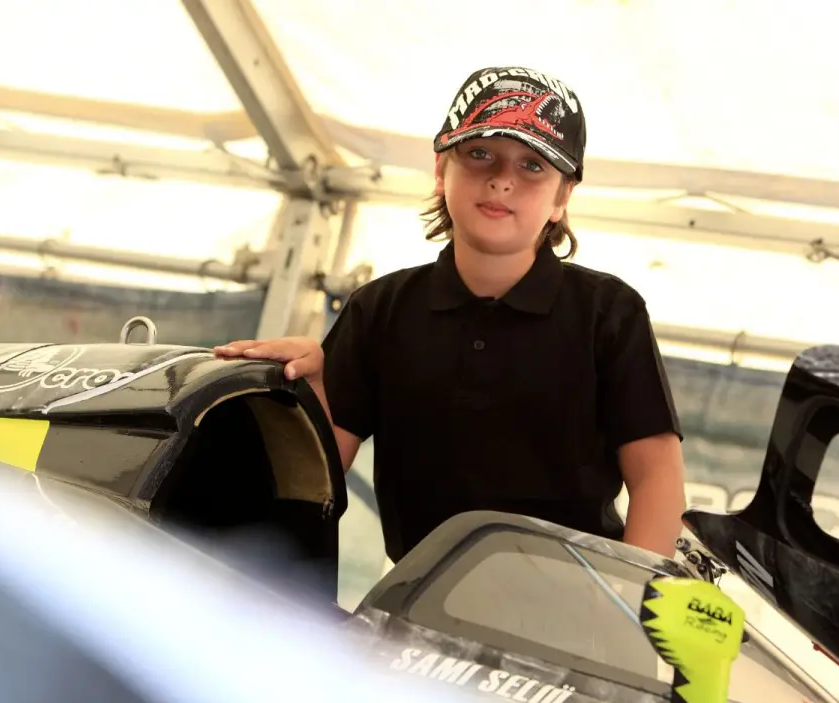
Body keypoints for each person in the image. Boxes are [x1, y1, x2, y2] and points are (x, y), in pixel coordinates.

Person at [215, 66, 687, 562]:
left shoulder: (610, 312)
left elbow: (657, 478)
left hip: (576, 613)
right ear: (442, 170)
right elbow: (315, 479)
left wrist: (630, 608)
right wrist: (309, 395)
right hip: (417, 605)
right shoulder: (379, 309)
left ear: (562, 197)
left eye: (533, 166)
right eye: (480, 154)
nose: (502, 180)